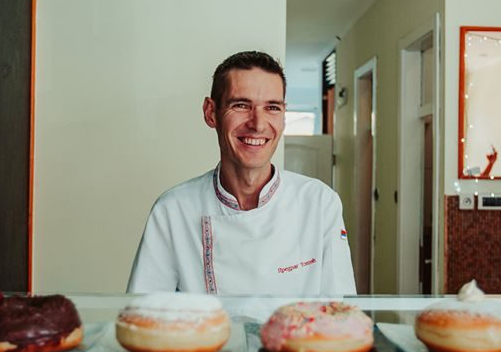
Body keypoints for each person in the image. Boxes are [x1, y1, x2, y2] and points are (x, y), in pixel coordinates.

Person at [127, 51, 356, 296]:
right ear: (211, 112)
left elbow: (341, 309)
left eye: (272, 107)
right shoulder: (173, 210)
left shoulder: (319, 202)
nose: (258, 124)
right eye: (241, 105)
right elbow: (145, 312)